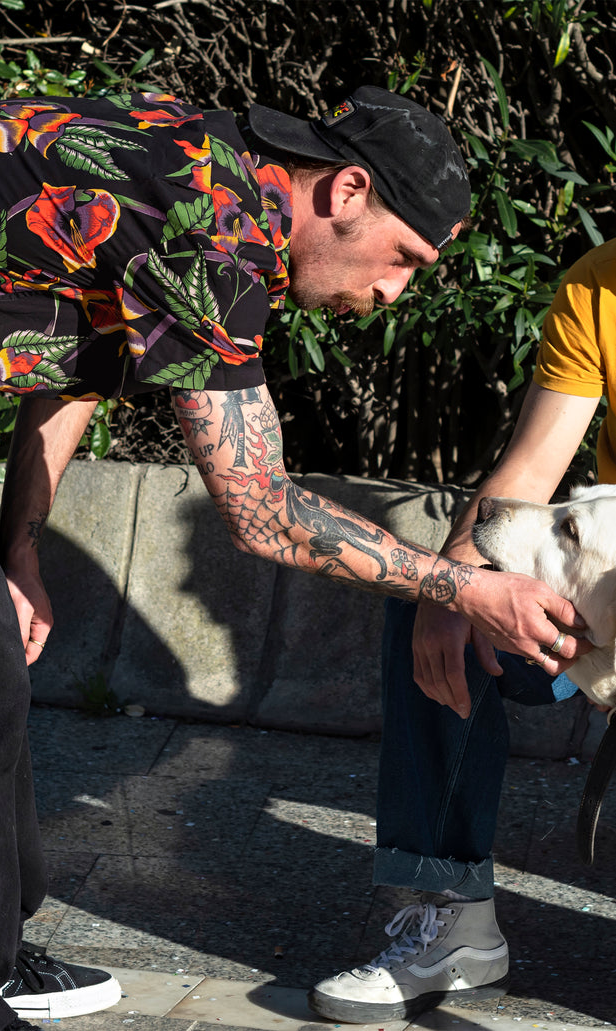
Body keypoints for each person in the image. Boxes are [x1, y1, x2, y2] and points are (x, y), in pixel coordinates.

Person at [0, 85, 589, 1030]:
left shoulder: (208, 175)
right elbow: (261, 511)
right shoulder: (209, 225)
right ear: (344, 191)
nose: (389, 294)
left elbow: (76, 363)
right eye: (400, 258)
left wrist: (23, 546)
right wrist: (462, 584)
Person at [309, 237, 616, 1024]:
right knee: (436, 604)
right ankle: (453, 918)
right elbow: (529, 470)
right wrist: (453, 581)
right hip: (595, 584)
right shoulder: (600, 283)